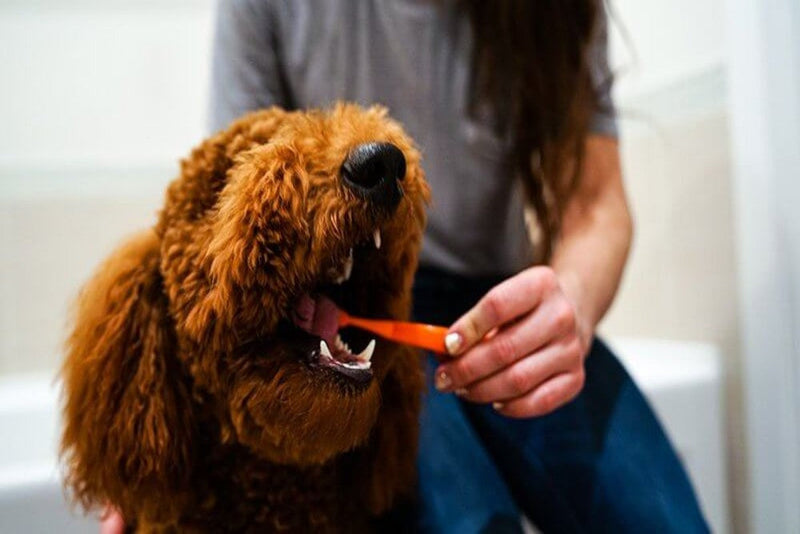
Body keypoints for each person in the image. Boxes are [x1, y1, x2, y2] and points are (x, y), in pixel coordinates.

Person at [103, 1, 709, 532]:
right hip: (357, 312)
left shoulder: (559, 9)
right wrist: (150, 458)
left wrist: (569, 304)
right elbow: (231, 214)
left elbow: (596, 205)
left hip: (503, 302)